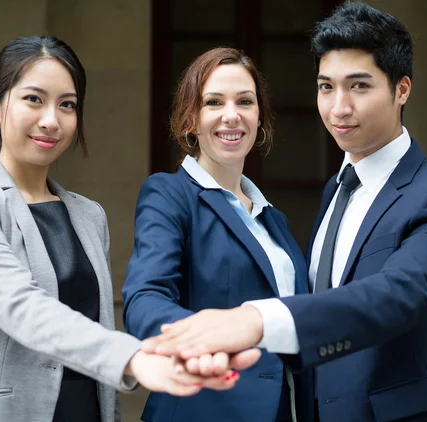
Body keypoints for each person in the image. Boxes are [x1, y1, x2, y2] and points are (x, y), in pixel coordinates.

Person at [142, 4, 427, 422]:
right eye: (326, 87)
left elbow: (400, 294)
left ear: (402, 89)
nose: (338, 108)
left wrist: (257, 320)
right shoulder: (336, 190)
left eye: (359, 86)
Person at [0, 36, 252, 422]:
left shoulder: (88, 215)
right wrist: (132, 357)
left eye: (67, 105)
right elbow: (19, 305)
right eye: (34, 99)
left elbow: (95, 325)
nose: (51, 120)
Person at [122, 47, 314, 422]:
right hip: (206, 406)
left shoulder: (273, 219)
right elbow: (145, 297)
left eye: (245, 101)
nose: (232, 115)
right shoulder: (169, 195)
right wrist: (201, 343)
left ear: (260, 117)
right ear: (191, 119)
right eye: (213, 102)